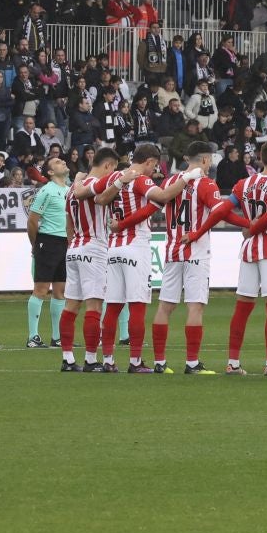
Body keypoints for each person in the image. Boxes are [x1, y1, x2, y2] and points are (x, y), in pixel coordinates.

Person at [185, 140, 267, 375]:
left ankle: (233, 362)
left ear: (261, 159)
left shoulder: (245, 183)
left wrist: (199, 232)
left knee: (243, 307)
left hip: (248, 248)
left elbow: (222, 209)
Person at [90, 143, 186, 373]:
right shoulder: (142, 180)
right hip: (136, 245)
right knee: (137, 306)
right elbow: (163, 195)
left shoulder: (116, 176)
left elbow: (96, 197)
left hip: (113, 248)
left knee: (112, 306)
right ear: (150, 161)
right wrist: (186, 178)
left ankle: (109, 361)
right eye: (155, 165)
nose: (155, 170)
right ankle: (135, 361)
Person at [151, 140, 223, 375]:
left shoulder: (171, 181)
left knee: (165, 306)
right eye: (210, 158)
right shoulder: (206, 184)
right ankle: (192, 363)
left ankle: (159, 362)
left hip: (172, 250)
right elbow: (219, 211)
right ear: (204, 160)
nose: (211, 162)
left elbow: (157, 203)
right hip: (196, 251)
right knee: (195, 306)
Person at [62, 149, 119, 371]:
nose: (112, 173)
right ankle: (91, 359)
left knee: (71, 305)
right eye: (113, 168)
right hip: (94, 246)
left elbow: (68, 223)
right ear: (107, 166)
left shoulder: (71, 190)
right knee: (94, 305)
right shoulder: (97, 184)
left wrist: (72, 245)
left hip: (74, 247)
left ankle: (67, 358)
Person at [24, 154, 70, 351]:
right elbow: (33, 220)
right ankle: (33, 336)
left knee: (61, 291)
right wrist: (36, 245)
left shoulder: (69, 191)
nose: (64, 162)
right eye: (58, 162)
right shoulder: (46, 191)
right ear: (50, 172)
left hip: (64, 243)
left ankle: (57, 337)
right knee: (41, 289)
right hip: (48, 241)